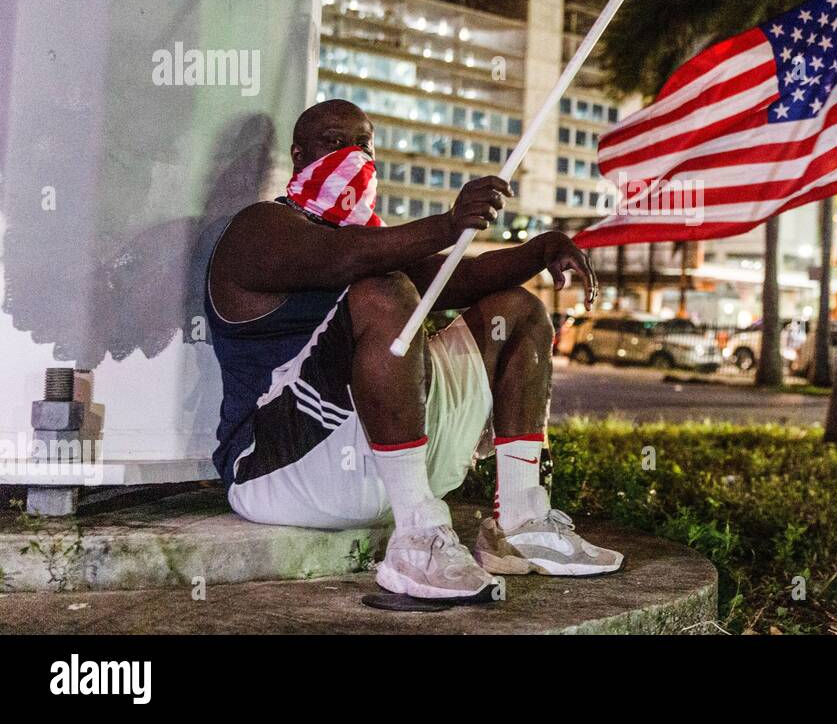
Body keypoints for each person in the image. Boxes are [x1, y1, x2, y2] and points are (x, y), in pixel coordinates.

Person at [205, 99, 622, 599]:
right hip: (278, 473)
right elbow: (345, 258)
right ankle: (416, 539)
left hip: (382, 466)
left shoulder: (373, 243)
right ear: (299, 156)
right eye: (335, 143)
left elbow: (459, 279)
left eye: (364, 145)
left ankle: (521, 523)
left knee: (517, 312)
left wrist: (542, 249)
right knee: (384, 290)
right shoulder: (259, 228)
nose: (353, 156)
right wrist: (449, 223)